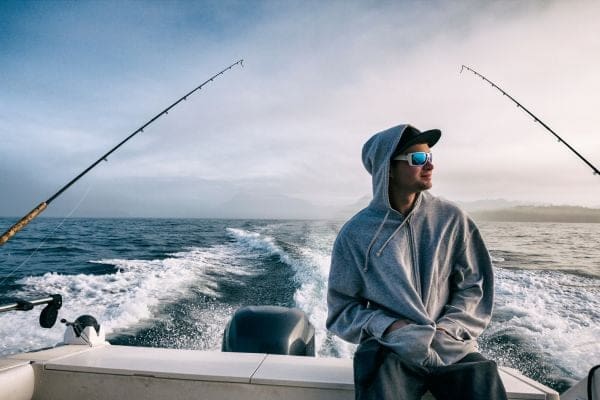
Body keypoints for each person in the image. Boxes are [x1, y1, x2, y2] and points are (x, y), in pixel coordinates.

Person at [326, 124, 507, 400]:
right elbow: (341, 310)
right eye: (418, 159)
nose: (430, 165)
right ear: (388, 168)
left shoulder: (452, 219)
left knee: (484, 381)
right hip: (391, 351)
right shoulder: (354, 235)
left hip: (451, 347)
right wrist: (389, 327)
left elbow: (474, 286)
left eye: (430, 157)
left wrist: (448, 329)